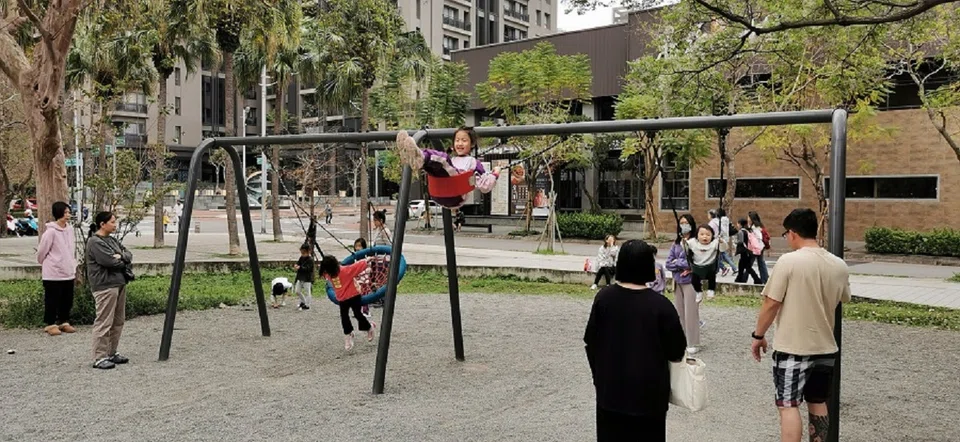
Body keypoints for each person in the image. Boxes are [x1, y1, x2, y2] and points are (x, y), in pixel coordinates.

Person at [751, 208, 851, 442]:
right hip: (826, 347)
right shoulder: (838, 265)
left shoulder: (789, 262)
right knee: (818, 402)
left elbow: (771, 302)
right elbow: (843, 297)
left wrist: (758, 335)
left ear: (793, 233)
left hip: (793, 347)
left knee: (788, 405)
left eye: (786, 234)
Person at [584, 239, 687, 441]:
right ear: (649, 266)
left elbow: (591, 341)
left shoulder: (604, 299)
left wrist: (599, 375)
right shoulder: (661, 306)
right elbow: (677, 350)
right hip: (649, 396)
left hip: (610, 391)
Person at [395, 126, 500, 209]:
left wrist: (495, 174)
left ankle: (420, 157)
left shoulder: (473, 162)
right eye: (457, 140)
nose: (459, 143)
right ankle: (413, 156)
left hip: (456, 195)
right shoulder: (453, 160)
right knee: (433, 167)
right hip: (439, 193)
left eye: (464, 140)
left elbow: (485, 186)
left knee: (442, 159)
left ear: (472, 144)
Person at [85, 211, 133, 370]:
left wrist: (122, 256)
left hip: (119, 283)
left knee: (118, 320)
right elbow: (109, 262)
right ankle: (99, 356)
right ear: (102, 224)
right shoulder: (95, 242)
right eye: (112, 222)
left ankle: (112, 352)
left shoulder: (112, 240)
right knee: (104, 321)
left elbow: (128, 254)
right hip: (105, 285)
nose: (115, 224)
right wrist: (121, 259)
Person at [36, 201, 77, 336]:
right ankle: (50, 323)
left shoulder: (70, 229)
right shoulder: (50, 232)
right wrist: (49, 263)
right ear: (58, 213)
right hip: (53, 272)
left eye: (68, 212)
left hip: (68, 271)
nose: (67, 215)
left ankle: (64, 321)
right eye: (65, 212)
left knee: (67, 298)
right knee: (52, 299)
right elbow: (42, 252)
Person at [319, 255, 377, 351]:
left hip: (353, 295)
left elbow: (356, 266)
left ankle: (369, 327)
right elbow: (324, 273)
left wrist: (366, 260)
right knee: (344, 317)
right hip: (342, 299)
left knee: (357, 314)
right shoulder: (328, 274)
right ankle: (348, 334)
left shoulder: (345, 270)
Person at [666, 214, 702, 354]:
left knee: (691, 313)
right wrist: (681, 265)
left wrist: (678, 263)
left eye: (686, 222)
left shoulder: (696, 242)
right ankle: (682, 340)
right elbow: (668, 263)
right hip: (677, 281)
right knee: (680, 312)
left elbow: (694, 261)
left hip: (691, 282)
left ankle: (693, 342)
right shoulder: (676, 243)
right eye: (681, 223)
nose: (684, 225)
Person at [687, 225, 720, 301]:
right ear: (697, 235)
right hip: (697, 267)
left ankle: (711, 291)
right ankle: (699, 292)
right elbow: (684, 246)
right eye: (702, 234)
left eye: (708, 235)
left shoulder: (714, 243)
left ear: (712, 236)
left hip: (710, 267)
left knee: (712, 277)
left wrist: (721, 241)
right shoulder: (693, 242)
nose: (705, 237)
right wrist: (684, 242)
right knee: (694, 281)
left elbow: (724, 248)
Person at [709, 208, 737, 276]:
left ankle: (725, 268)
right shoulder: (726, 219)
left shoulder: (719, 221)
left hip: (720, 239)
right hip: (725, 238)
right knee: (723, 255)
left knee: (718, 256)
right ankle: (732, 268)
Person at [735, 218, 763, 284]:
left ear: (740, 224)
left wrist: (735, 242)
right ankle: (739, 278)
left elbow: (740, 241)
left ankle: (757, 279)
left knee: (748, 267)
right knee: (742, 265)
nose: (737, 225)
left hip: (744, 251)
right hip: (748, 251)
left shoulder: (741, 231)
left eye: (738, 223)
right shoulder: (748, 231)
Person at [749, 211, 770, 284]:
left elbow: (759, 237)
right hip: (760, 247)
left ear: (752, 218)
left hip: (757, 248)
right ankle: (765, 279)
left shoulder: (755, 227)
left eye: (748, 217)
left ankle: (743, 279)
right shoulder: (760, 225)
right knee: (761, 263)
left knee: (749, 264)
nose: (747, 219)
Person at [293, 243, 314, 311]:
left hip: (307, 278)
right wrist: (296, 265)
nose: (303, 254)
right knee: (297, 291)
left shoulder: (310, 260)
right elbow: (298, 263)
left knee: (307, 292)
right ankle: (303, 301)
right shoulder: (301, 258)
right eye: (302, 253)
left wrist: (300, 268)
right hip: (300, 277)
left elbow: (309, 269)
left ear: (309, 252)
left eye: (304, 253)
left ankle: (307, 305)